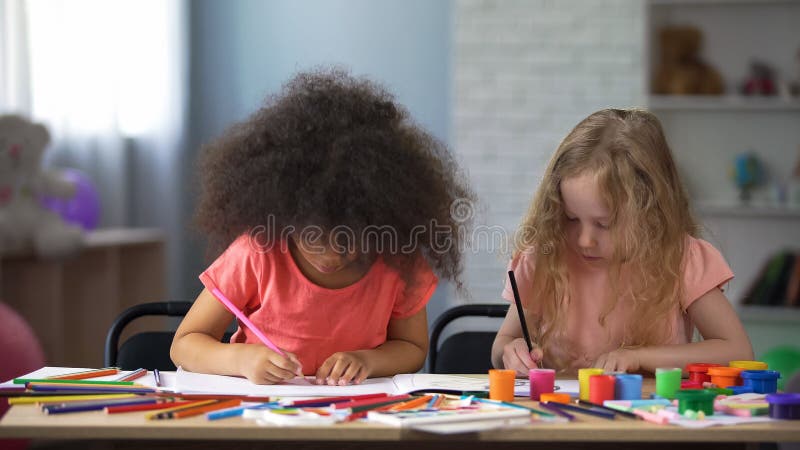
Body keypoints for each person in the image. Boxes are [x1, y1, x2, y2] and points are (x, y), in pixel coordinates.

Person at [171, 68, 473, 385]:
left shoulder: (398, 262)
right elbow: (185, 344)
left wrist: (367, 360)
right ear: (286, 216)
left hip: (358, 421)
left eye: (349, 241)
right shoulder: (258, 252)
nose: (331, 255)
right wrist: (242, 359)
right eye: (312, 238)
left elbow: (412, 348)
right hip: (261, 418)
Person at [491, 108, 753, 375]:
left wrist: (639, 357)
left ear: (649, 213)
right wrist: (511, 352)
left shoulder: (681, 259)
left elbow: (737, 352)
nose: (584, 240)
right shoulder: (546, 256)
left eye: (604, 224)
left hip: (651, 414)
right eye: (570, 218)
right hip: (559, 411)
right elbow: (502, 344)